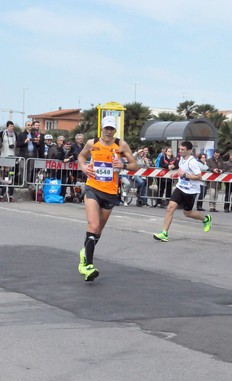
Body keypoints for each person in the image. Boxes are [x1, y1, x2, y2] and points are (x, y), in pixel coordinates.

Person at [76, 116, 138, 282]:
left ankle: (85, 253)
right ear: (101, 129)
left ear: (115, 131)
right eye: (106, 129)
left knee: (98, 231)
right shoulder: (92, 143)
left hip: (110, 192)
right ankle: (87, 266)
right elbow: (81, 157)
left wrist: (123, 165)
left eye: (112, 129)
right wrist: (84, 167)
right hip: (92, 188)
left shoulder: (121, 145)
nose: (109, 132)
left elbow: (135, 165)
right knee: (93, 225)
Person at [153, 141, 212, 242]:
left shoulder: (192, 162)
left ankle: (205, 219)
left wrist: (185, 175)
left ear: (189, 151)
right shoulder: (181, 159)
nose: (180, 151)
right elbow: (181, 170)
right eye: (180, 149)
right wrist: (176, 173)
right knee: (170, 208)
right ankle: (164, 233)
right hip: (180, 187)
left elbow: (199, 177)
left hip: (190, 191)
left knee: (187, 213)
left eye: (183, 150)